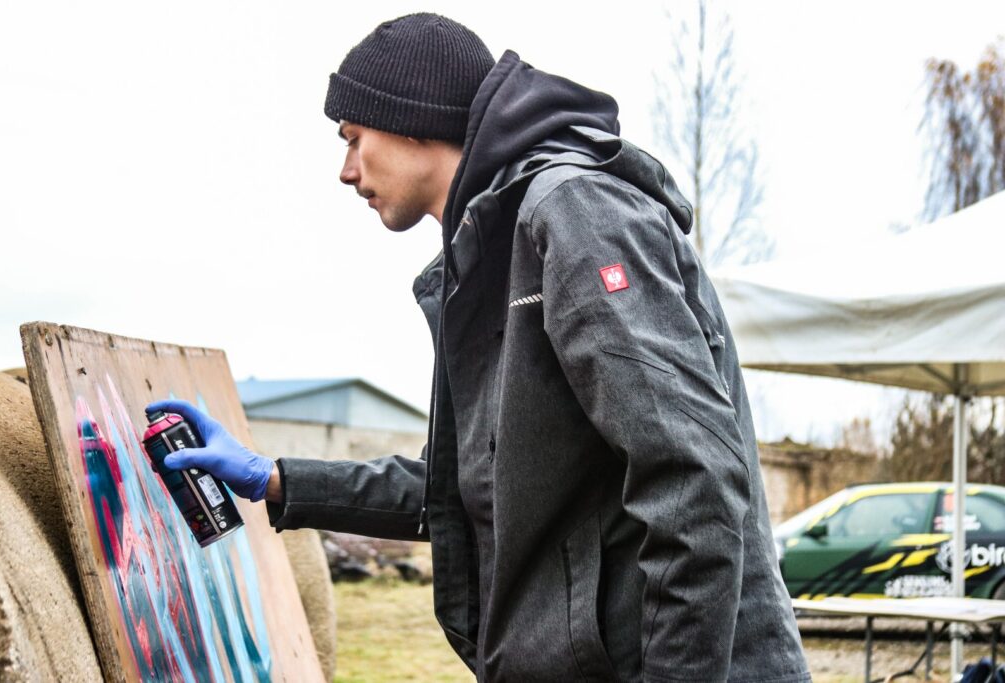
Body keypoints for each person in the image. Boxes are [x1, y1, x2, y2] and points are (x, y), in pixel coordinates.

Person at [148, 12, 811, 682]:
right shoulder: (488, 263)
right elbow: (460, 491)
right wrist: (273, 478)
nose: (346, 171)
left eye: (353, 138)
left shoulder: (577, 213)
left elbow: (694, 478)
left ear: (410, 120)